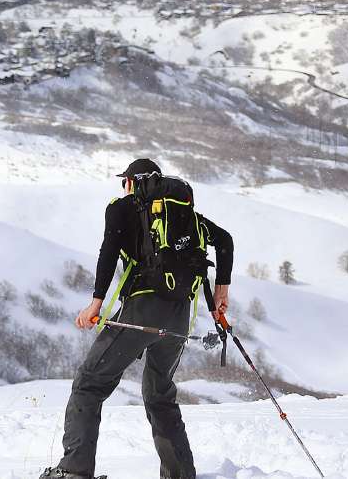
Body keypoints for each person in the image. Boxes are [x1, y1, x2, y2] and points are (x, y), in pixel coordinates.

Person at [40, 158, 233, 479]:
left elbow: (109, 250)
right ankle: (180, 475)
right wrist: (221, 292)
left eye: (124, 181)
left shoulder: (123, 208)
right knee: (160, 396)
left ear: (133, 182)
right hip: (180, 316)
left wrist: (96, 303)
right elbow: (225, 241)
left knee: (89, 384)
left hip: (143, 307)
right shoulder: (187, 217)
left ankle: (74, 470)